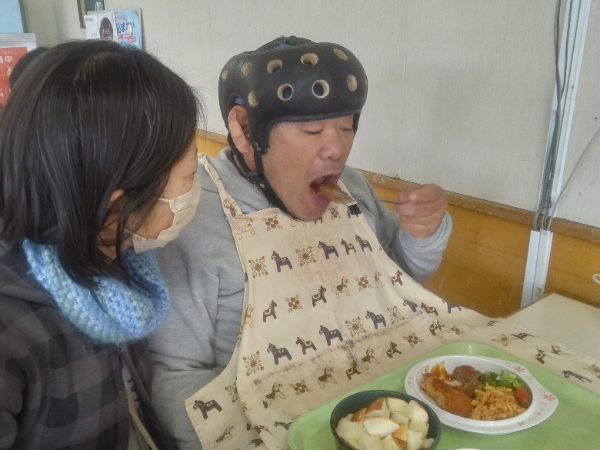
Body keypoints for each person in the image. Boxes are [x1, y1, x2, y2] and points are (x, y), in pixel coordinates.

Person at [149, 36, 451, 450]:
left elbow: (398, 284)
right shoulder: (192, 221)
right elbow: (175, 378)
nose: (336, 151)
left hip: (377, 411)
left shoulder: (353, 190)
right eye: (312, 130)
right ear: (245, 130)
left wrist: (422, 234)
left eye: (346, 128)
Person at [0, 40, 202, 450]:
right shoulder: (14, 336)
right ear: (115, 211)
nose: (196, 189)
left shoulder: (116, 258)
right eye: (190, 176)